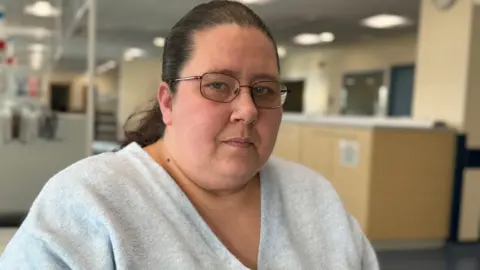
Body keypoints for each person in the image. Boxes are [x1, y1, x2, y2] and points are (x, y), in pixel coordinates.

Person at [0, 1, 379, 269]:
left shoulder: (315, 199)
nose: (247, 111)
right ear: (168, 102)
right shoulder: (89, 204)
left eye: (263, 89)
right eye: (217, 85)